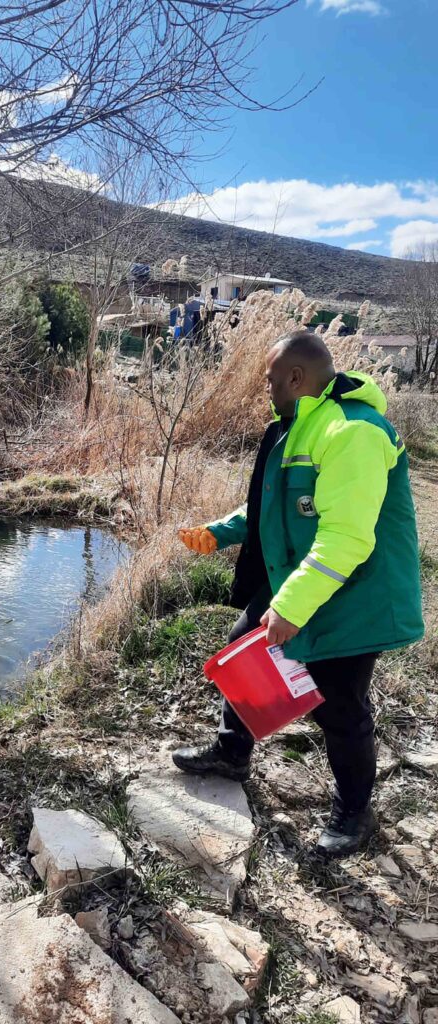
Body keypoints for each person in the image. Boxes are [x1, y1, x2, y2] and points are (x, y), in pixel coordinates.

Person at [176, 330, 424, 857]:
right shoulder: (298, 428)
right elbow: (275, 509)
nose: (265, 389)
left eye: (270, 380)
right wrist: (219, 532)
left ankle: (355, 812)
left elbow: (347, 537)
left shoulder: (352, 432)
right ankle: (232, 752)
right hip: (308, 580)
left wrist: (288, 607)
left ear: (296, 377)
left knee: (341, 707)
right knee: (242, 653)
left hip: (356, 595)